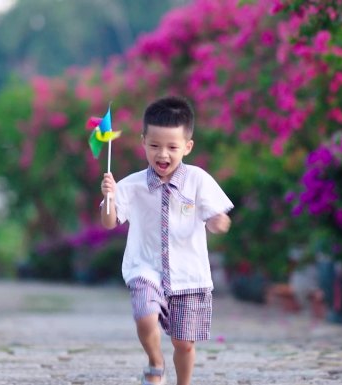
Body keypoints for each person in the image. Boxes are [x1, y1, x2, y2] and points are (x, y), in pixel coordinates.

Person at [100, 96, 233, 385]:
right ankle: (154, 360)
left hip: (189, 275)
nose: (163, 154)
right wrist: (109, 196)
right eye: (155, 146)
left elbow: (216, 215)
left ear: (187, 146)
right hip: (145, 268)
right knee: (145, 315)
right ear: (143, 142)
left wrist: (218, 221)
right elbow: (109, 222)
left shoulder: (198, 180)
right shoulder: (132, 185)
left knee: (184, 343)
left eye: (172, 147)